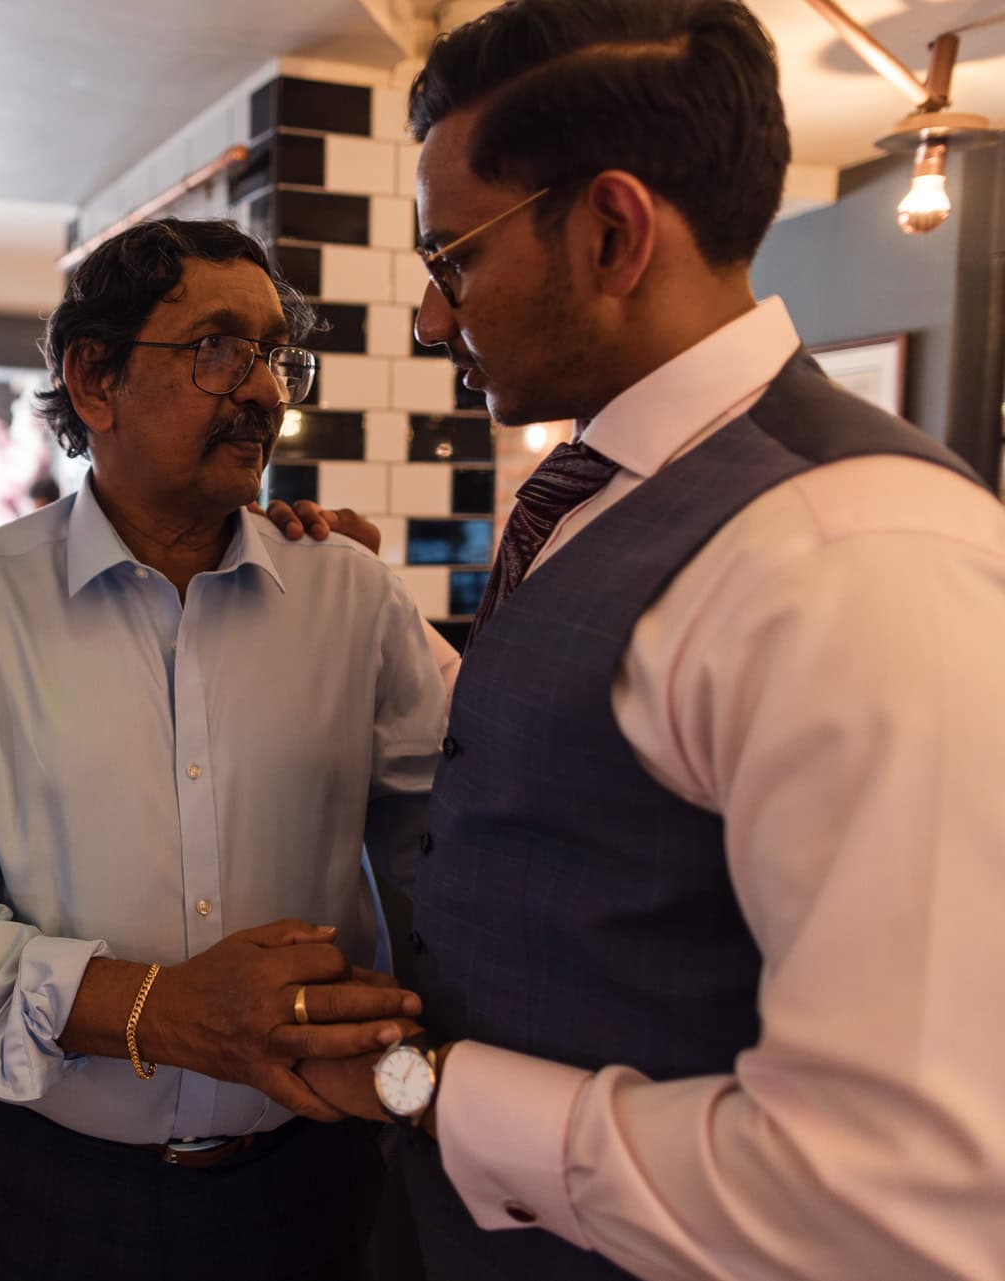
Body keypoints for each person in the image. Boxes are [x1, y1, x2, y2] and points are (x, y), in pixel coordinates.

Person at [275, 4, 1005, 1279]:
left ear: (611, 232)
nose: (436, 321)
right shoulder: (598, 489)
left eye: (454, 258)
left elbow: (896, 1199)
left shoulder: (857, 559)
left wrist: (430, 1089)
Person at [0, 218, 445, 1280]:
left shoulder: (349, 597)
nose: (262, 390)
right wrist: (157, 1012)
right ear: (93, 379)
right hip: (51, 1188)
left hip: (316, 1180)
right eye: (218, 349)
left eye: (275, 356)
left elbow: (453, 845)